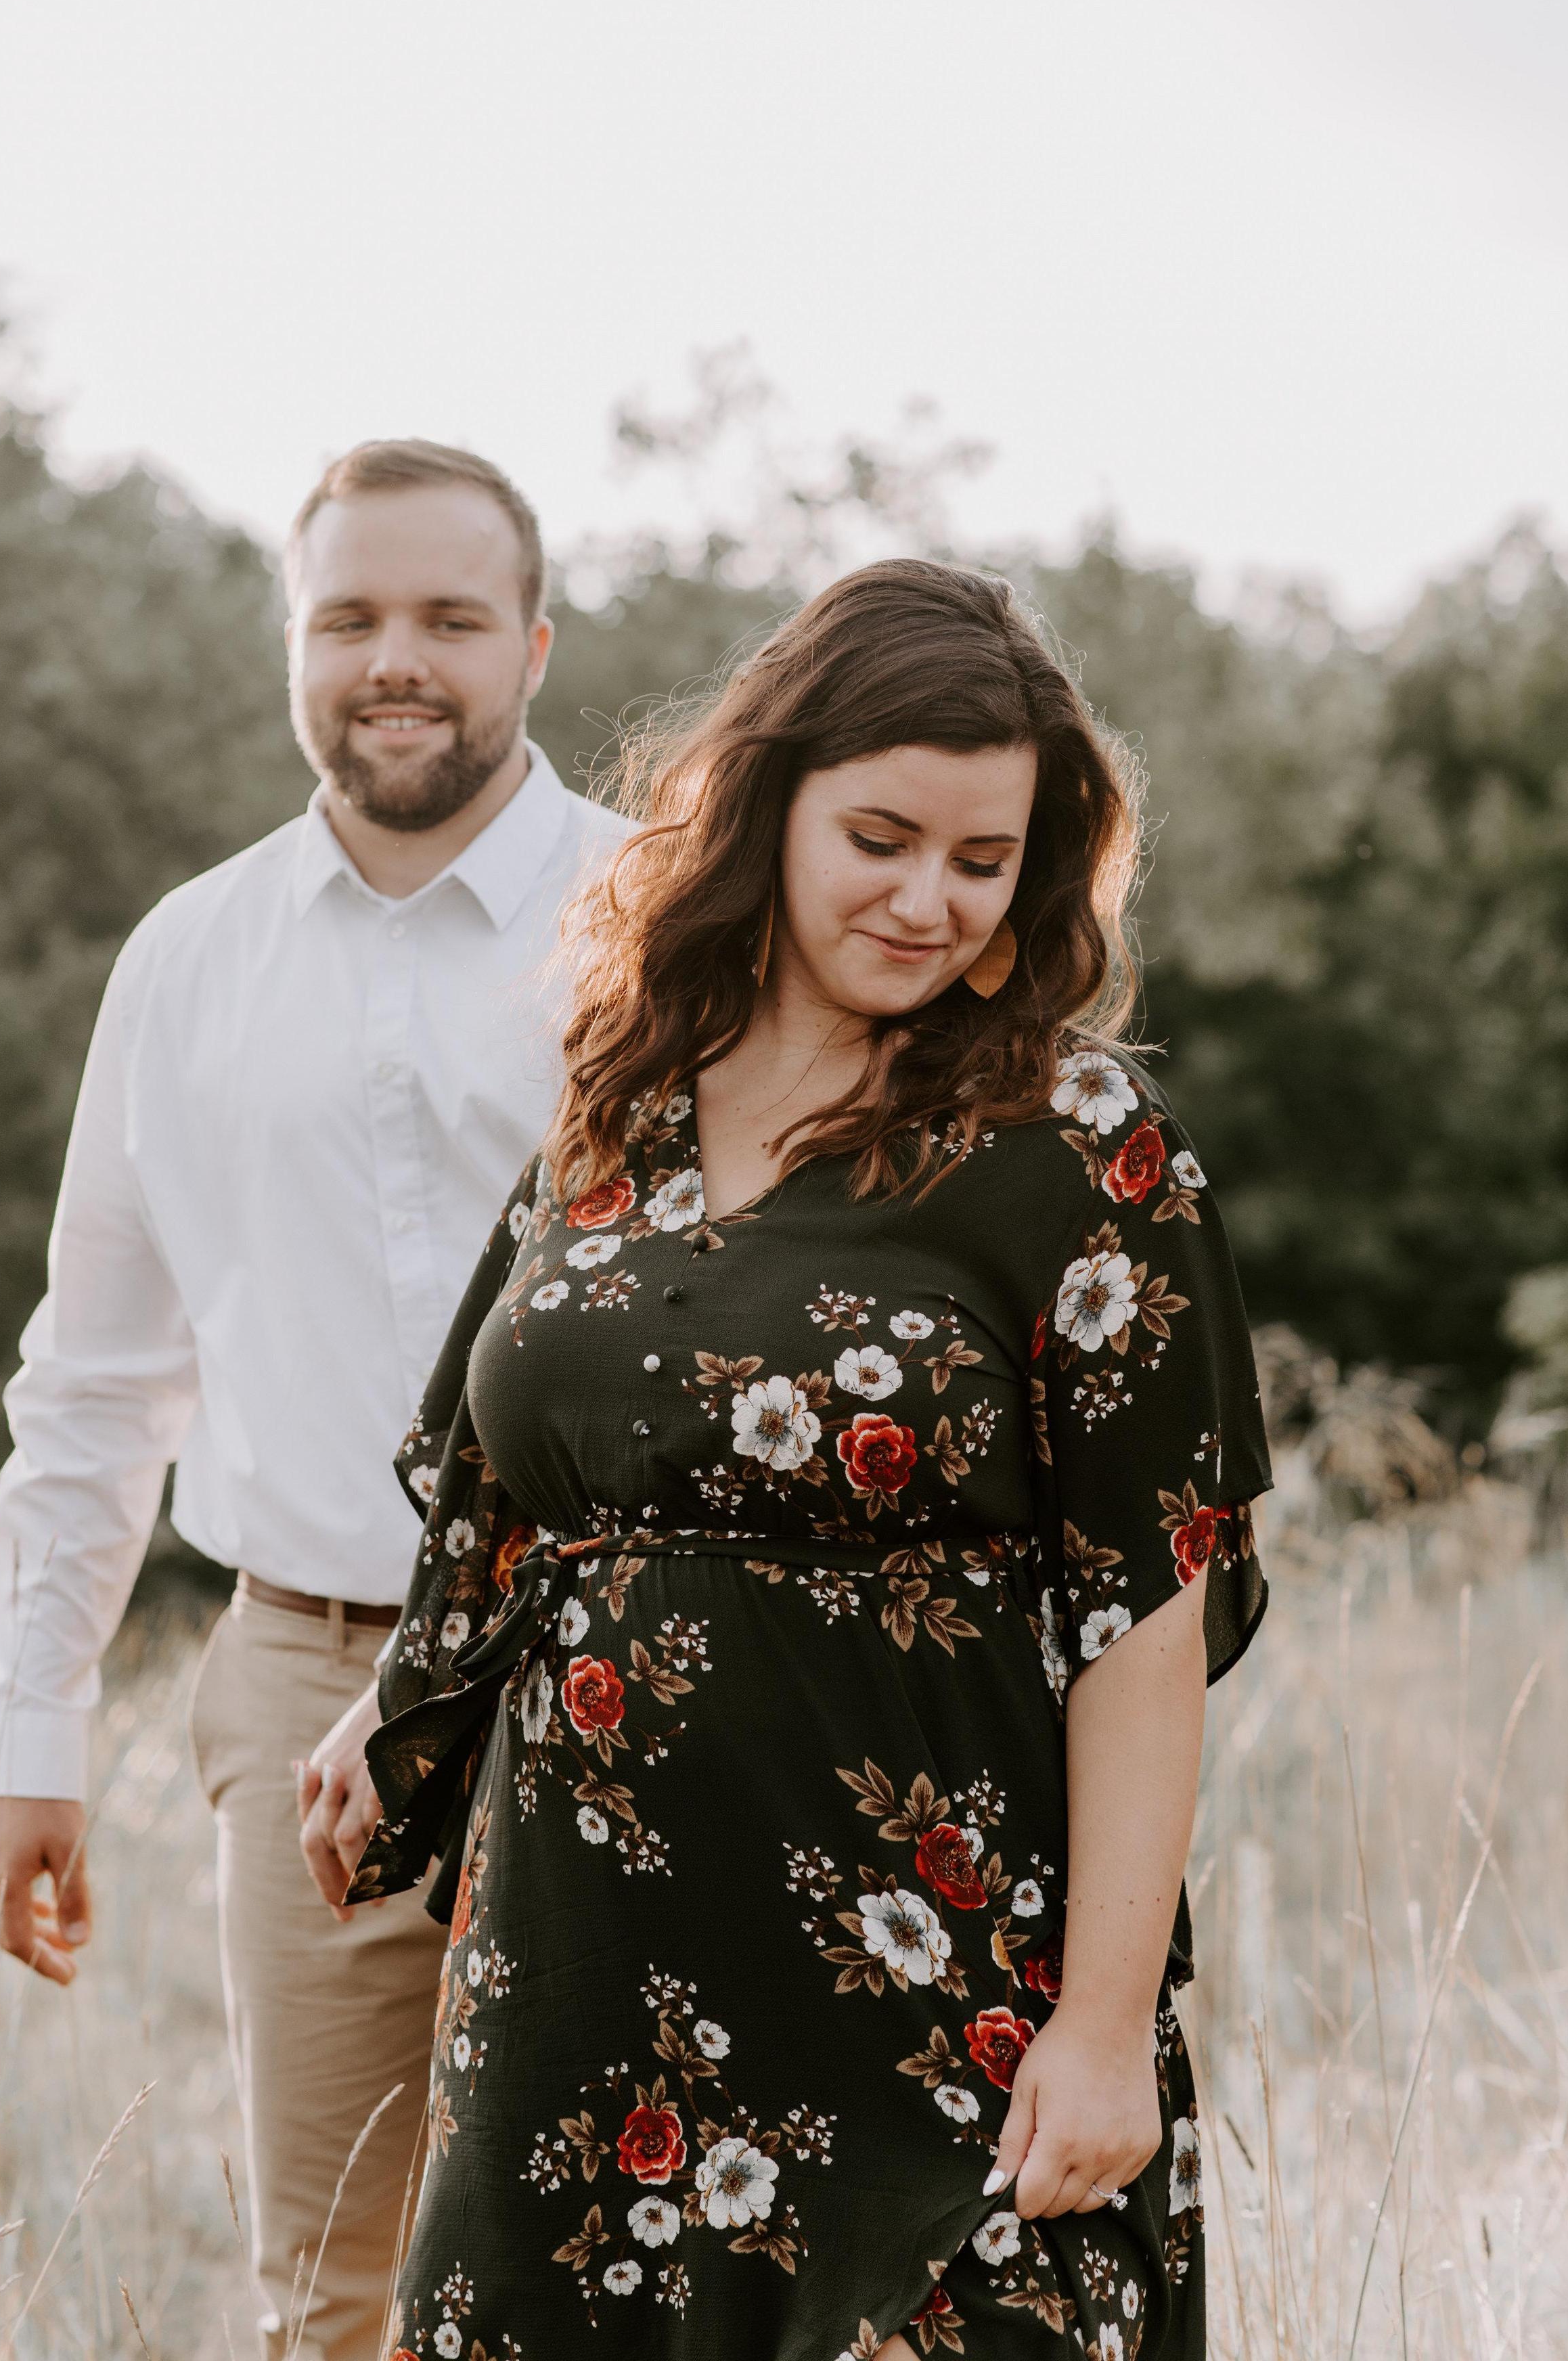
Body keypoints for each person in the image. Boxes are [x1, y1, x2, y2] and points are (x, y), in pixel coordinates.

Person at [294, 556, 1273, 2359]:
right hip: (585, 1966)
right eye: (880, 840)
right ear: (766, 810)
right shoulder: (621, 1101)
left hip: (934, 1982)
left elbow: (1144, 1619)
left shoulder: (1078, 1143)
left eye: (982, 862)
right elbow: (525, 1469)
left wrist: (1103, 2024)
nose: (928, 902)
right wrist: (406, 1691)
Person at [0, 439, 628, 2361]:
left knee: (635, 2266)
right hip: (301, 1666)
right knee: (337, 2296)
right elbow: (98, 1377)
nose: (393, 659)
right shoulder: (188, 960)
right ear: (293, 643)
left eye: (448, 617)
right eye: (349, 619)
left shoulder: (665, 922)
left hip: (632, 1665)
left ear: (533, 645)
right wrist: (27, 1729)